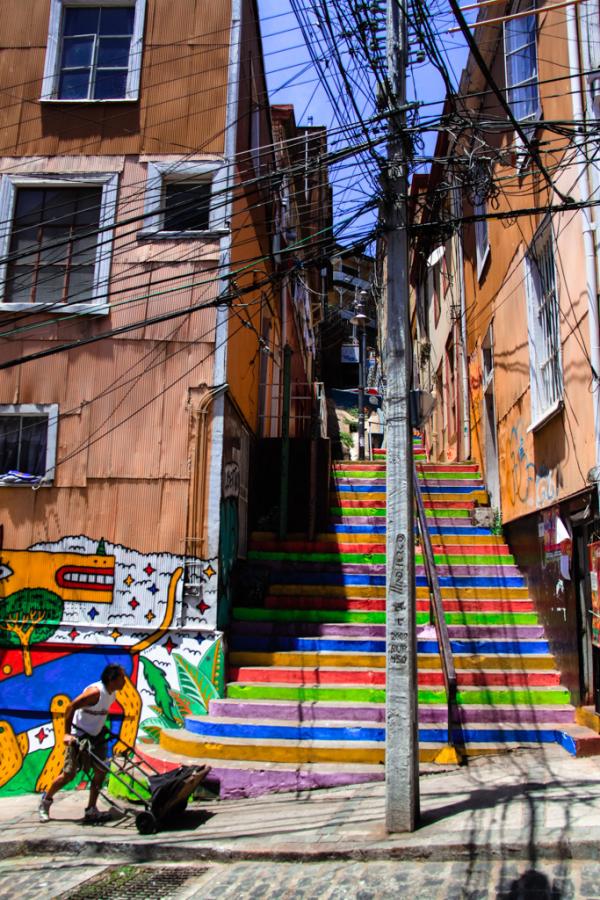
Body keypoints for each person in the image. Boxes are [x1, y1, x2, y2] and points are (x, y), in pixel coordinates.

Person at [38, 663, 127, 823]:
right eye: (122, 677)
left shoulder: (111, 693)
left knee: (100, 771)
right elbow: (71, 707)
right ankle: (45, 802)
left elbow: (97, 713)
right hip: (78, 736)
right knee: (69, 774)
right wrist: (66, 734)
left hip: (97, 735)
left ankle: (91, 809)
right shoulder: (95, 692)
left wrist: (102, 727)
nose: (124, 681)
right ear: (111, 679)